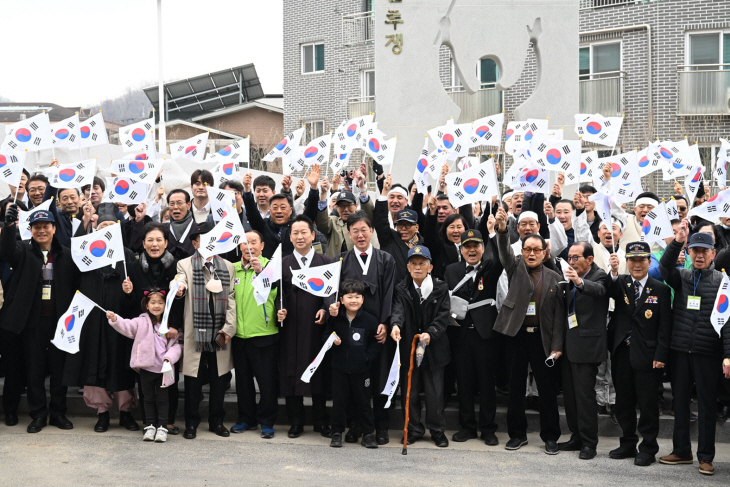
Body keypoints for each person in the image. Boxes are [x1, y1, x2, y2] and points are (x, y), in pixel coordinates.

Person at [658, 223, 729, 476]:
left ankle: (706, 457)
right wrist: (677, 240)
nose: (699, 255)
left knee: (708, 406)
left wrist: (728, 355)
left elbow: (727, 321)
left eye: (705, 251)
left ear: (713, 253)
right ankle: (681, 451)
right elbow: (664, 267)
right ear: (689, 253)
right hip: (680, 352)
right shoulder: (682, 277)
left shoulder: (723, 281)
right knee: (679, 402)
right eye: (695, 250)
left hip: (707, 354)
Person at [62, 204, 140, 433]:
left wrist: (128, 293)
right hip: (93, 320)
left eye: (111, 226)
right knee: (94, 364)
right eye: (103, 226)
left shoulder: (126, 255)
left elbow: (133, 300)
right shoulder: (87, 253)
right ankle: (102, 413)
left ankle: (125, 412)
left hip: (119, 321)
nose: (107, 230)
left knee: (120, 364)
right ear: (96, 229)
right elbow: (72, 260)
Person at [0, 207, 79, 433]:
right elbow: (6, 252)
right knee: (34, 370)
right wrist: (7, 227)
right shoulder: (23, 251)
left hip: (60, 323)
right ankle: (38, 414)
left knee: (58, 370)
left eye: (46, 226)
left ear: (54, 228)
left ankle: (58, 413)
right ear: (30, 230)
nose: (42, 231)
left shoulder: (66, 254)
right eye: (37, 227)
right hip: (31, 323)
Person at [494, 204, 565, 454]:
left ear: (545, 253)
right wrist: (503, 229)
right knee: (515, 388)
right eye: (528, 250)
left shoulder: (556, 279)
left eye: (537, 250)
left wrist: (557, 346)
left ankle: (550, 436)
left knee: (546, 389)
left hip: (543, 340)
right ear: (522, 252)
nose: (532, 254)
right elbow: (503, 250)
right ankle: (517, 434)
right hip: (516, 336)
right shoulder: (515, 267)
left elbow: (558, 317)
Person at [606, 241, 672, 467]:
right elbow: (609, 289)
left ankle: (648, 448)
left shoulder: (660, 288)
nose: (636, 264)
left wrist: (661, 356)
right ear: (626, 262)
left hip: (648, 355)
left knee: (647, 404)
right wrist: (614, 271)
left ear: (649, 261)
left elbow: (665, 327)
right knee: (623, 402)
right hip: (622, 352)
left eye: (641, 259)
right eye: (632, 260)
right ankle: (627, 443)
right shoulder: (621, 283)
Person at [174, 222, 236, 440]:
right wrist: (179, 287)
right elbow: (180, 281)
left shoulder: (228, 266)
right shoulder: (185, 264)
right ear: (195, 243)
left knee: (220, 379)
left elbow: (231, 299)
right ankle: (191, 423)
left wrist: (229, 328)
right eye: (203, 239)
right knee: (193, 380)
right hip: (197, 332)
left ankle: (216, 421)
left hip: (220, 330)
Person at [338, 211, 396, 445]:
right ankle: (354, 426)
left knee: (379, 379)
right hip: (352, 330)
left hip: (378, 330)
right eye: (355, 231)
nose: (360, 235)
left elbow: (390, 293)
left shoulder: (385, 259)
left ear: (371, 231)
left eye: (364, 230)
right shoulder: (342, 260)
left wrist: (384, 322)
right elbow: (334, 294)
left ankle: (381, 426)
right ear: (349, 233)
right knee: (354, 378)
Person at [444, 228, 504, 445]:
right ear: (461, 249)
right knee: (464, 383)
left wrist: (497, 232)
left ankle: (488, 428)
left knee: (487, 383)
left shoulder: (490, 267)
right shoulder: (451, 270)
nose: (471, 250)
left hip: (485, 335)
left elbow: (501, 256)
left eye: (475, 246)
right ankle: (467, 426)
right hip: (459, 335)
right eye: (467, 246)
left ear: (482, 248)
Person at [126, 221, 183, 435]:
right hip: (144, 332)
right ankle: (149, 421)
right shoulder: (133, 267)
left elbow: (180, 301)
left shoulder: (176, 266)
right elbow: (128, 306)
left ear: (166, 242)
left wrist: (175, 326)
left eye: (159, 239)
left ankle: (167, 421)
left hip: (168, 332)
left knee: (168, 375)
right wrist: (128, 293)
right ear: (143, 243)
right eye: (150, 239)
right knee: (146, 379)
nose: (154, 244)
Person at [390, 246, 451, 447]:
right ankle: (414, 428)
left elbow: (443, 316)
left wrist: (431, 332)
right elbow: (398, 311)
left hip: (433, 348)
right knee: (411, 391)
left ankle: (437, 430)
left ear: (430, 266)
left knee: (435, 394)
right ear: (408, 267)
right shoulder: (401, 288)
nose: (418, 267)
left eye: (422, 263)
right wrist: (396, 325)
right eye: (414, 264)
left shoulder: (441, 288)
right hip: (409, 346)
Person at [279, 215, 332, 438]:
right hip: (291, 328)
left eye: (304, 232)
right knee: (292, 373)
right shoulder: (282, 264)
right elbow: (276, 295)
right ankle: (296, 421)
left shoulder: (326, 263)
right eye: (295, 233)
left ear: (313, 235)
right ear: (290, 238)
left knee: (318, 371)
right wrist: (278, 311)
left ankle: (321, 421)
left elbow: (332, 293)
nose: (300, 236)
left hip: (316, 327)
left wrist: (326, 308)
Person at [106, 288, 182, 443]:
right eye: (153, 302)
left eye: (160, 303)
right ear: (147, 305)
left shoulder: (170, 326)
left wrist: (169, 358)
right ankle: (150, 425)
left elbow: (178, 347)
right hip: (146, 368)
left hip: (164, 370)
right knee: (147, 398)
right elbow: (127, 325)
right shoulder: (141, 322)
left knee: (163, 399)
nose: (156, 306)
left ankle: (162, 427)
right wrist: (115, 319)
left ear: (165, 305)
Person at [558, 242, 610, 460]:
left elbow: (599, 290)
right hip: (568, 345)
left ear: (589, 259)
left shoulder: (599, 275)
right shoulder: (569, 275)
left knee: (584, 397)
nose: (571, 262)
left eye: (576, 257)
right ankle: (576, 436)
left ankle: (589, 442)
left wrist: (579, 282)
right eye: (569, 257)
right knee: (570, 396)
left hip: (588, 347)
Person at [231, 230, 280, 438]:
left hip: (264, 333)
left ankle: (267, 422)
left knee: (267, 382)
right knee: (243, 382)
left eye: (253, 242)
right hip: (239, 336)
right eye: (244, 242)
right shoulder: (232, 269)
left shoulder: (271, 266)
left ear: (261, 245)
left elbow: (277, 292)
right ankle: (246, 419)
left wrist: (261, 273)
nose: (248, 246)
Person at [326, 279, 383, 449]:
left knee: (364, 402)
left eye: (358, 297)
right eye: (349, 297)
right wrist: (332, 341)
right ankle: (336, 433)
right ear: (341, 300)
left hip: (362, 370)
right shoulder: (335, 319)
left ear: (363, 299)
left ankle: (367, 434)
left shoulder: (369, 320)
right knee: (339, 402)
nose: (354, 300)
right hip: (339, 369)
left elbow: (376, 342)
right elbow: (325, 335)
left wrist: (367, 357)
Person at [316, 164, 378, 258]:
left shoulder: (362, 221)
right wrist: (323, 194)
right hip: (335, 268)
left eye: (349, 205)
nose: (345, 209)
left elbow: (369, 214)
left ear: (356, 205)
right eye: (342, 206)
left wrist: (362, 188)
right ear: (336, 207)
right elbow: (321, 223)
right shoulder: (333, 222)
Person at [243, 173, 296, 258]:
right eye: (258, 190)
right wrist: (247, 190)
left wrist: (286, 191)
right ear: (271, 210)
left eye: (265, 190)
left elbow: (288, 204)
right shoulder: (264, 225)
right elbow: (252, 212)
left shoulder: (294, 226)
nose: (261, 194)